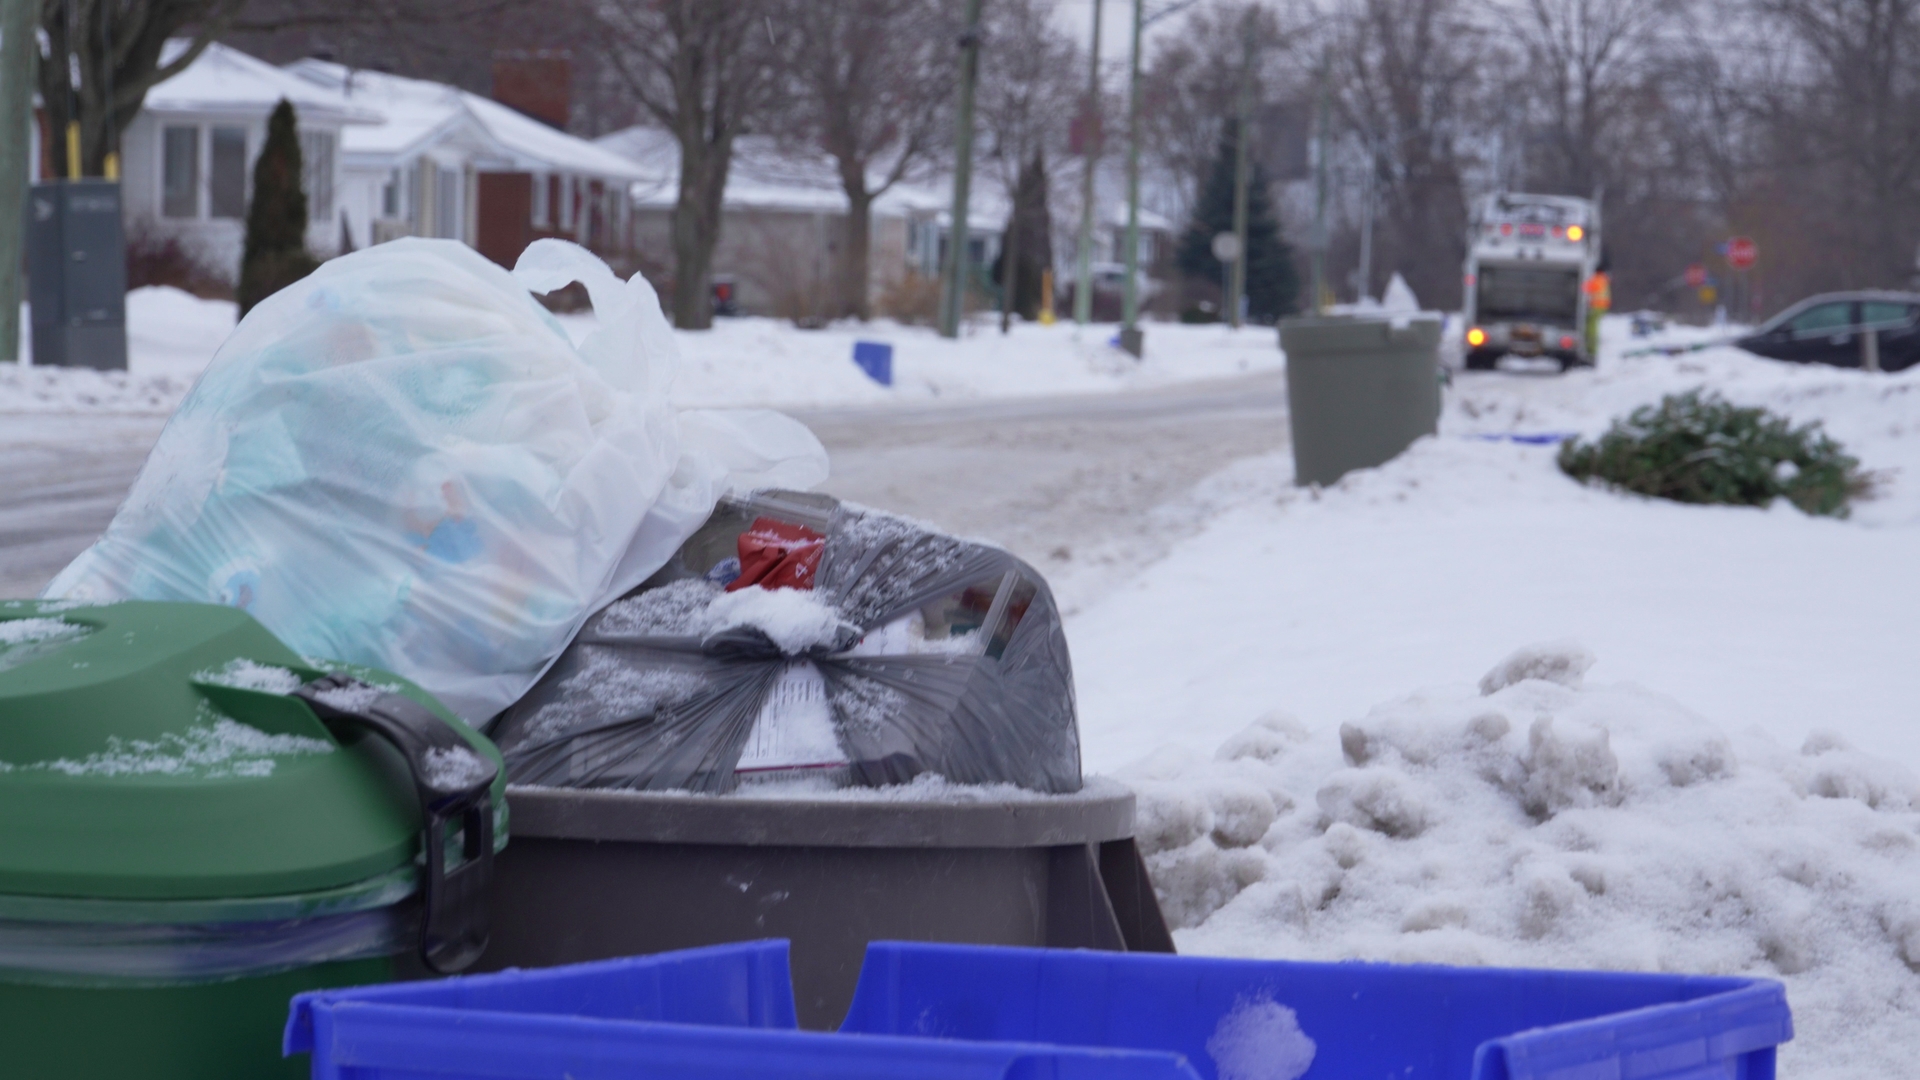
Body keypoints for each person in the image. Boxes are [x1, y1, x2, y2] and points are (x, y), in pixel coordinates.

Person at [1583, 266, 1611, 359]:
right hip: (1602, 307)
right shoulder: (1604, 279)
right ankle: (1591, 347)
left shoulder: (1597, 279)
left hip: (1596, 306)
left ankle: (1591, 348)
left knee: (1591, 327)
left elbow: (1585, 288)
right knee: (1593, 325)